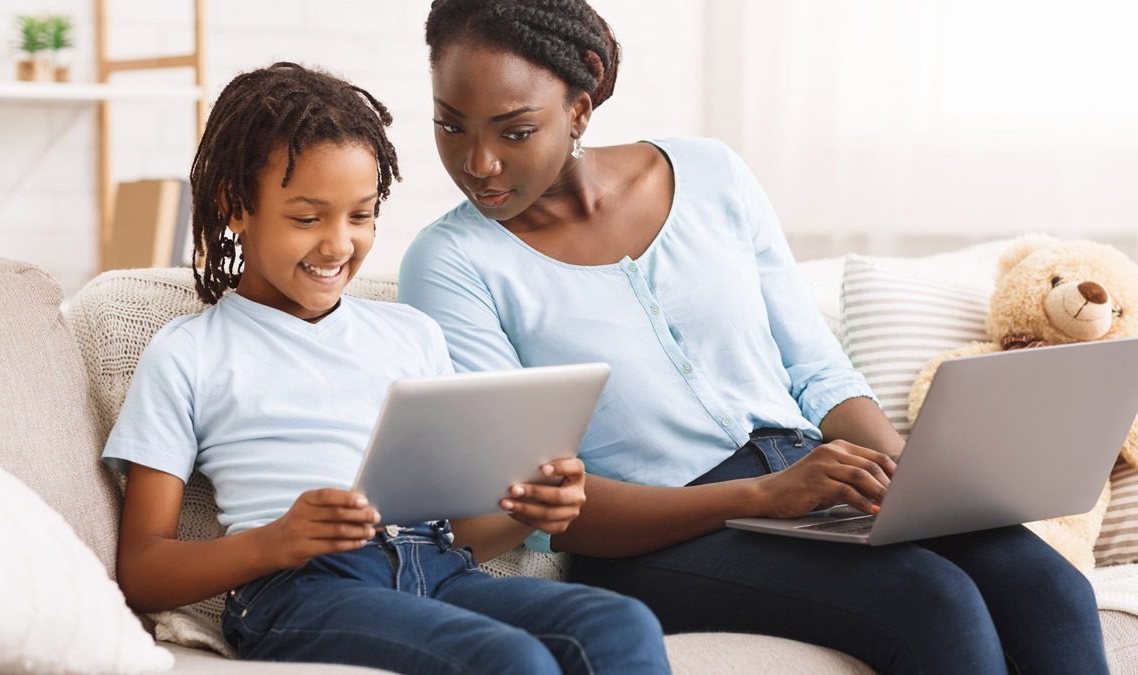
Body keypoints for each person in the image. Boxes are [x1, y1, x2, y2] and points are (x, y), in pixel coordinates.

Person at [397, 2, 1108, 673]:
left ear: (578, 109)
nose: (478, 163)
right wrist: (766, 495)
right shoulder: (453, 263)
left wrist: (913, 481)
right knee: (933, 599)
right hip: (661, 538)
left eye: (514, 130)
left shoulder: (710, 174)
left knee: (1049, 586)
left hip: (810, 479)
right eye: (451, 125)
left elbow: (817, 369)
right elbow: (538, 500)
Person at [102, 61, 670, 675]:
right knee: (508, 659)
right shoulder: (188, 352)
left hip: (440, 568)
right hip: (304, 588)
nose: (338, 245)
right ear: (236, 207)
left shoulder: (411, 333)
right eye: (306, 218)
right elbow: (142, 569)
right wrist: (274, 541)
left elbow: (464, 533)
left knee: (619, 623)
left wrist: (524, 514)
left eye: (361, 215)